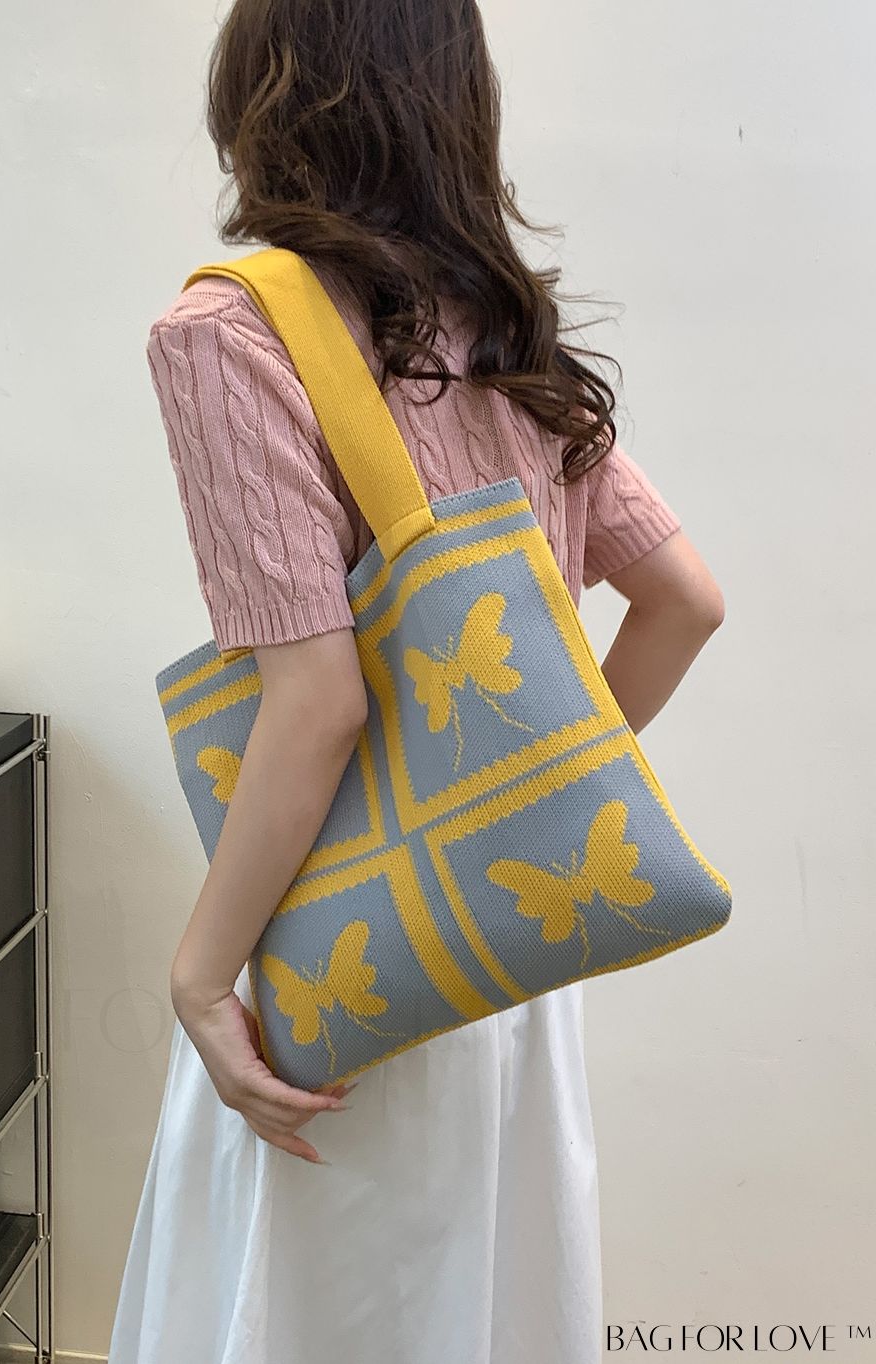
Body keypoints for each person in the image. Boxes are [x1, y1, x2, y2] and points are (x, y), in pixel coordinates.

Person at [107, 2, 725, 1361]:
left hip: (356, 960)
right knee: (488, 1308)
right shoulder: (503, 331)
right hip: (512, 959)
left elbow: (317, 702)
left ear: (263, 85)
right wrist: (527, 793)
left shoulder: (229, 330)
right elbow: (685, 601)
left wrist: (202, 980)